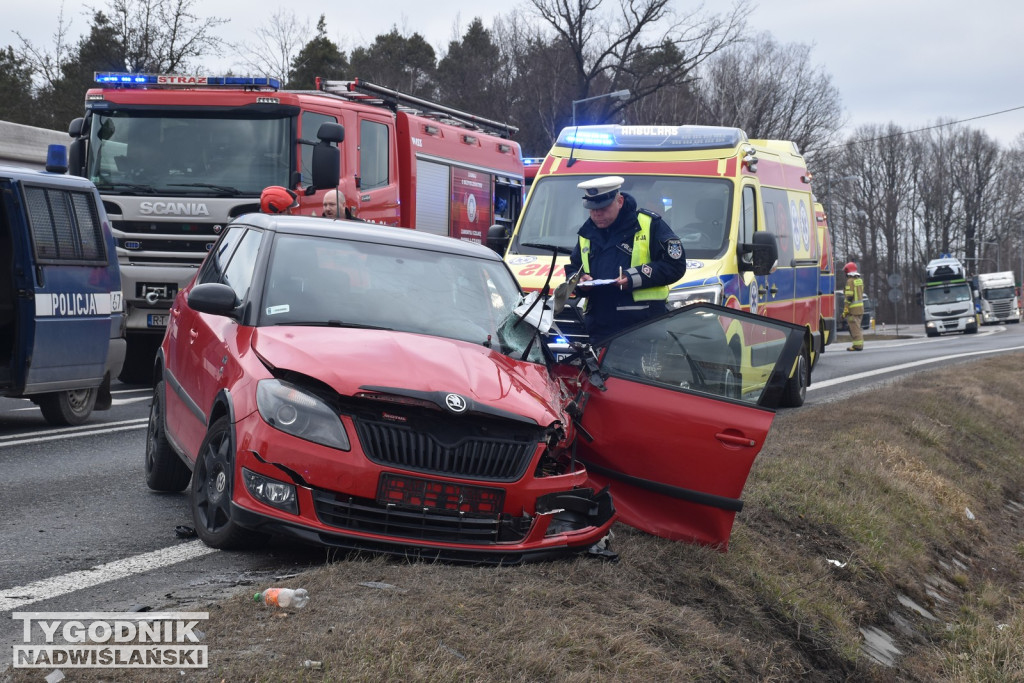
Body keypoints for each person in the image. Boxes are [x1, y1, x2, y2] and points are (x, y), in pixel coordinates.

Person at [567, 176, 687, 342]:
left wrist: (633, 277)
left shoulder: (649, 224)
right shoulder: (587, 232)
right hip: (599, 328)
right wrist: (580, 281)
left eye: (603, 207)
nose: (597, 213)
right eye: (592, 209)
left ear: (620, 201)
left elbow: (675, 265)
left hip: (643, 327)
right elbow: (574, 268)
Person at [842, 261, 865, 351]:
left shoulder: (850, 281)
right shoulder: (859, 280)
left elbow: (849, 296)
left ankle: (858, 346)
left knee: (854, 328)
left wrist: (846, 310)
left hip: (853, 310)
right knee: (857, 327)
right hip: (860, 309)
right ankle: (858, 344)